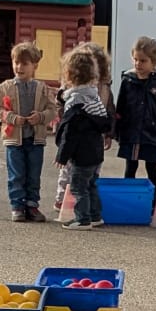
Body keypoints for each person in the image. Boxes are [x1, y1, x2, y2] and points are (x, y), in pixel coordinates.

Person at [0, 40, 58, 222]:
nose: (19, 67)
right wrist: (11, 117)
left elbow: (53, 109)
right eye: (16, 63)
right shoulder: (5, 87)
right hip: (14, 139)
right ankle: (17, 206)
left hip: (36, 140)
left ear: (34, 65)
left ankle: (32, 205)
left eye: (24, 64)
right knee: (16, 174)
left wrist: (41, 117)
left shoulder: (42, 88)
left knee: (33, 175)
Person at [57, 45, 111, 230]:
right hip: (95, 151)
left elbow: (70, 132)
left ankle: (82, 219)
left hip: (82, 154)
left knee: (78, 186)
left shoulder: (75, 102)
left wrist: (62, 155)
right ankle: (95, 216)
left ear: (69, 75)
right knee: (91, 185)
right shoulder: (93, 96)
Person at [115, 36, 156, 186]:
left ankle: (152, 196)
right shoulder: (128, 80)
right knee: (131, 165)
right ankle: (128, 194)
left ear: (153, 62)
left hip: (151, 132)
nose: (138, 64)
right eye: (135, 59)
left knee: (151, 166)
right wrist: (116, 129)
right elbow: (120, 106)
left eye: (143, 61)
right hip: (131, 132)